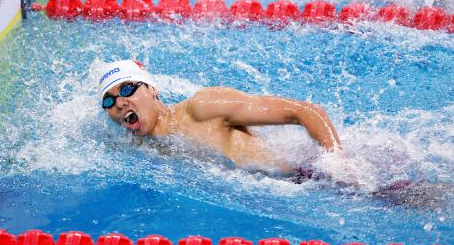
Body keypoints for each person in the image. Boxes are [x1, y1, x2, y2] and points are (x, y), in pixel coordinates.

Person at [98, 60, 341, 177]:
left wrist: (338, 163)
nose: (119, 103)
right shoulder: (138, 149)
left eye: (128, 89)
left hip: (313, 178)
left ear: (152, 89)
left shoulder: (202, 108)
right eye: (109, 101)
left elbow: (306, 111)